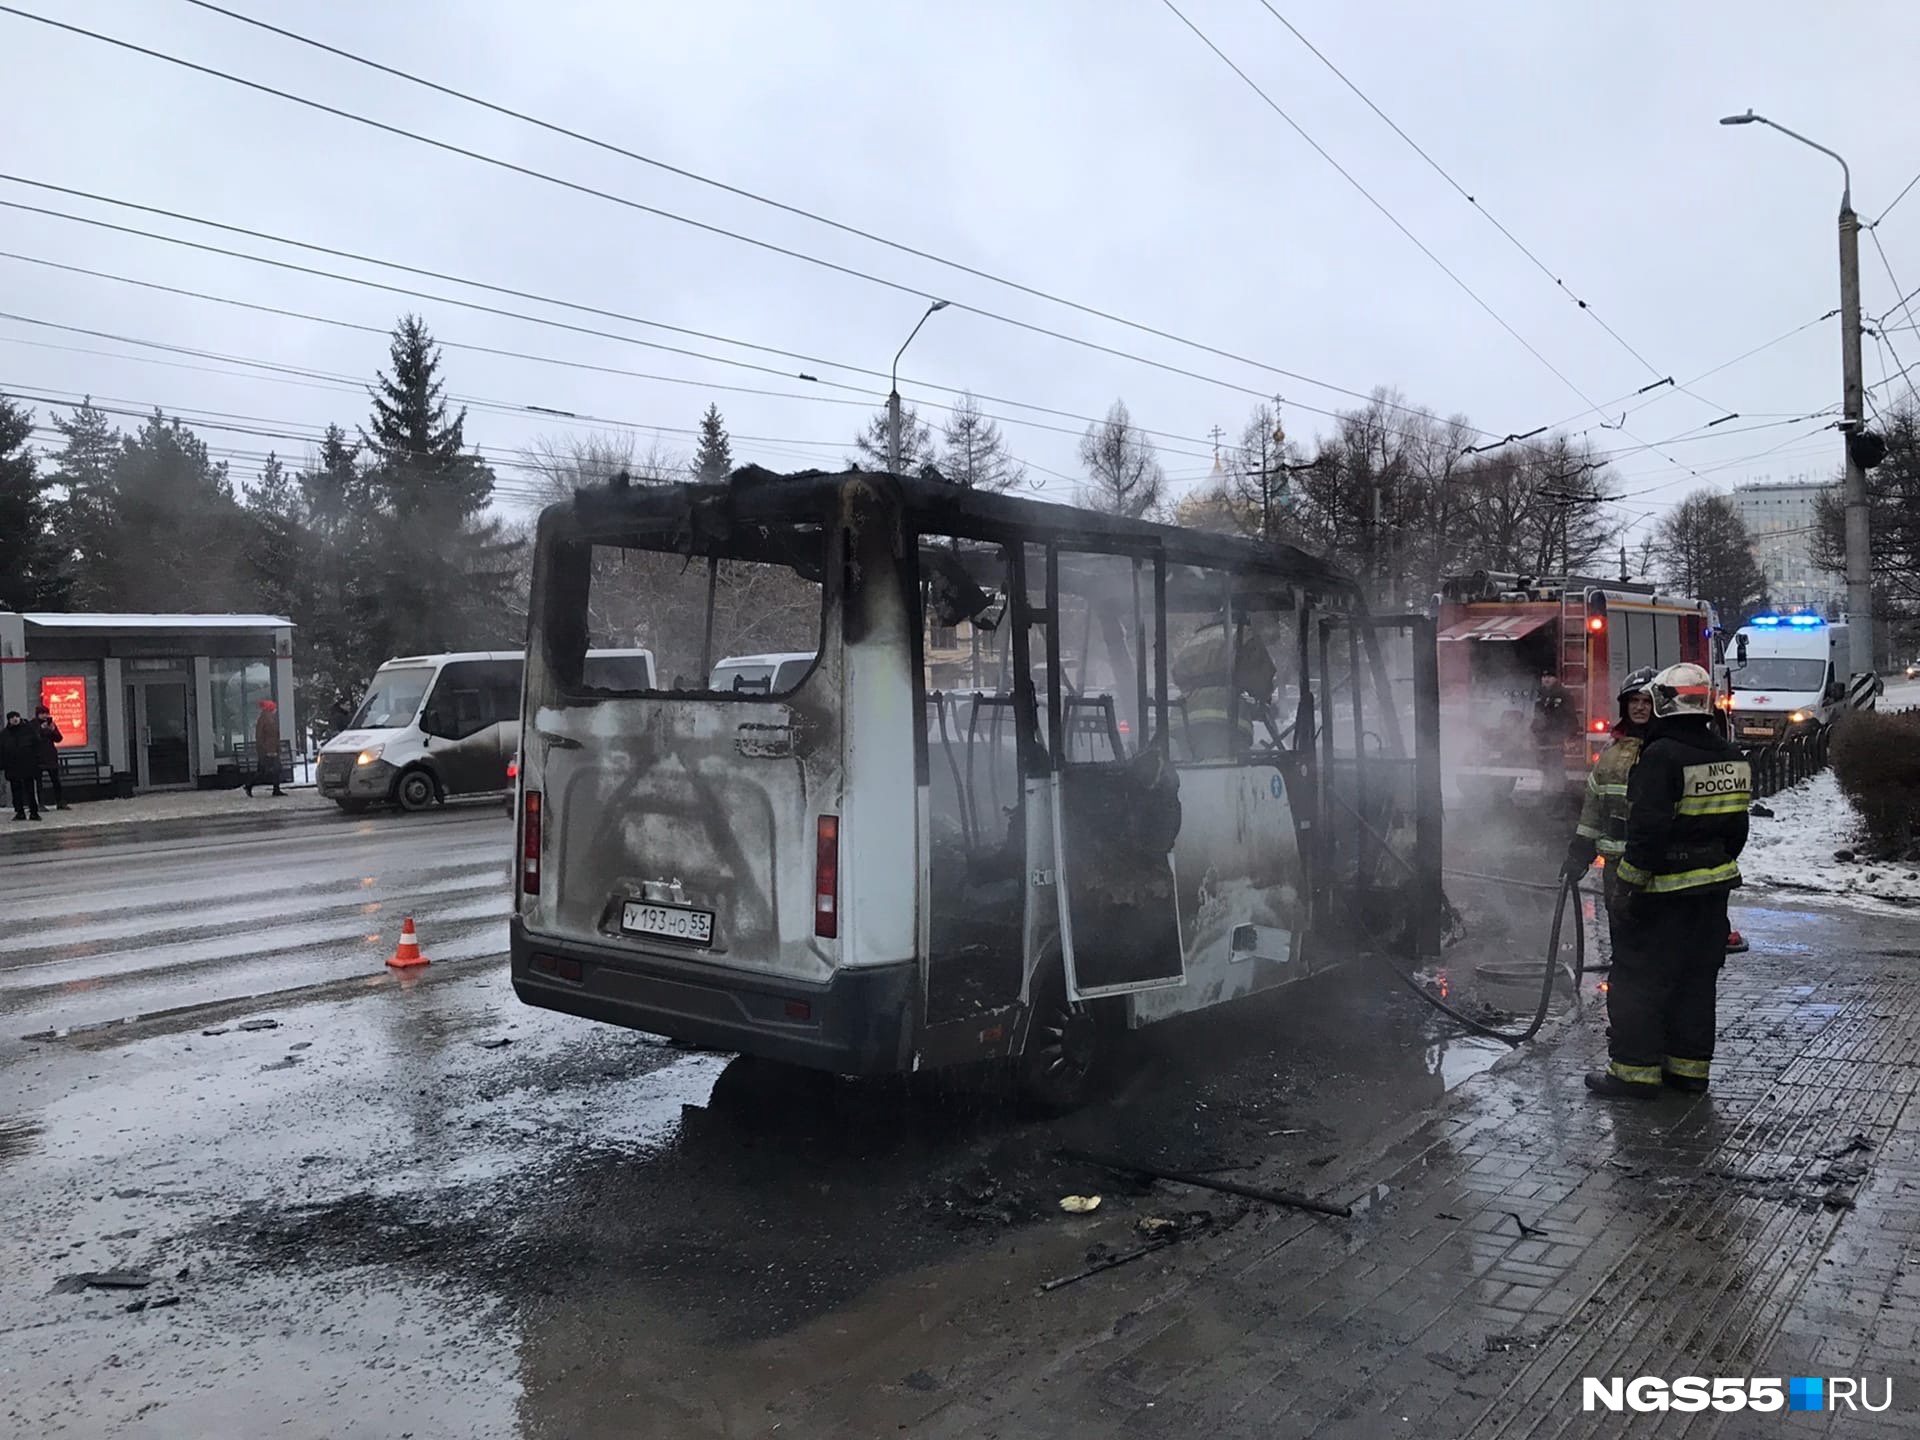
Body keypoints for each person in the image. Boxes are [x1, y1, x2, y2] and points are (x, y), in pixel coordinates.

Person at [1586, 662, 1750, 1100]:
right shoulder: (1730, 755)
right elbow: (1737, 833)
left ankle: (1632, 1074)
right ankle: (1688, 1072)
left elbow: (1647, 835)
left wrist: (1628, 890)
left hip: (1661, 898)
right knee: (1695, 985)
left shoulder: (1661, 756)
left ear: (1663, 702)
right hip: (1712, 897)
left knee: (1639, 982)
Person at [1563, 667, 1658, 926]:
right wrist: (1579, 854)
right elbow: (1593, 808)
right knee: (1621, 939)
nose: (1640, 708)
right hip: (1616, 867)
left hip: (1657, 870)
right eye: (1634, 701)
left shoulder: (1667, 750)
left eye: (1647, 701)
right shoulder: (1611, 752)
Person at [1171, 608, 1277, 761]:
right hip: (1225, 719)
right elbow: (1262, 681)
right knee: (1229, 772)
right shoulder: (1244, 635)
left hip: (1184, 719)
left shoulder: (1195, 639)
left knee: (1195, 771)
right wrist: (1266, 703)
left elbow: (1177, 674)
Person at [1532, 672, 1579, 798]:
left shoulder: (1564, 695)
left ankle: (1560, 797)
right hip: (1543, 740)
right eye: (1543, 677)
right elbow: (1537, 717)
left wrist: (1568, 735)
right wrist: (1533, 732)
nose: (1546, 679)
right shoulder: (1540, 695)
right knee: (1545, 769)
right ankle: (1549, 796)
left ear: (1556, 678)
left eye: (1549, 677)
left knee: (1556, 768)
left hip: (1556, 741)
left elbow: (1570, 717)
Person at [3, 710, 43, 821]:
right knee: (16, 791)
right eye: (12, 717)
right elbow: (2, 751)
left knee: (30, 789)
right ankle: (19, 812)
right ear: (9, 720)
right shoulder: (5, 734)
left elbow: (37, 745)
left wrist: (37, 762)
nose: (15, 719)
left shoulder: (28, 730)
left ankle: (33, 812)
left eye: (17, 716)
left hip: (28, 765)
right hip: (13, 767)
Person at [245, 698, 285, 798]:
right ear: (270, 709)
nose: (276, 710)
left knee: (275, 769)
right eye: (274, 708)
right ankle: (249, 785)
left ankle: (275, 789)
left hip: (271, 750)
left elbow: (274, 736)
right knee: (265, 771)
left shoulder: (270, 719)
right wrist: (267, 750)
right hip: (268, 751)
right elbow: (260, 737)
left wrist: (276, 748)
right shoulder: (265, 719)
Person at [32, 704, 68, 810]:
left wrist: (53, 730)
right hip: (38, 756)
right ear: (38, 714)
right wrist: (40, 729)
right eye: (42, 713)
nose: (44, 716)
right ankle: (41, 804)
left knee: (56, 780)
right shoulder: (33, 724)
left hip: (50, 755)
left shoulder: (51, 724)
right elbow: (33, 738)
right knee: (39, 782)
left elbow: (59, 739)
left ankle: (60, 802)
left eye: (46, 713)